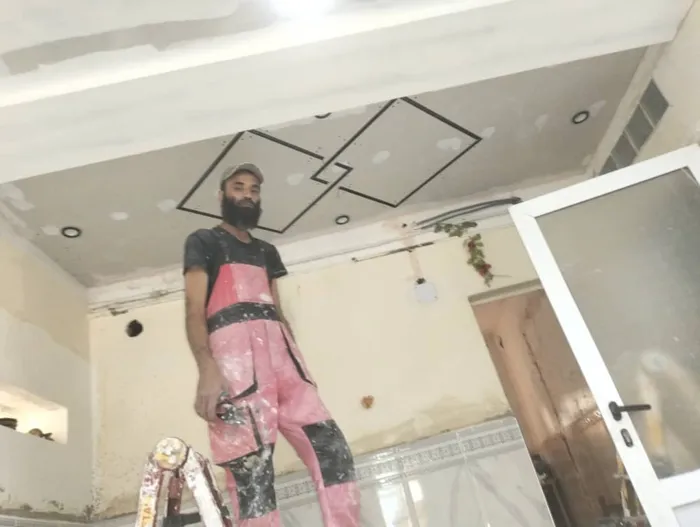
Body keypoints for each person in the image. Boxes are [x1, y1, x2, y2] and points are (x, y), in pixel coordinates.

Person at [182, 163, 360, 526]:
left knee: (333, 454)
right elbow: (193, 310)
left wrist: (297, 363)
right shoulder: (203, 240)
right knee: (251, 473)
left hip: (283, 360)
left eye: (254, 189)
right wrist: (206, 369)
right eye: (238, 187)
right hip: (235, 366)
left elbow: (276, 310)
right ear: (221, 195)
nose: (247, 194)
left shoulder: (267, 250)